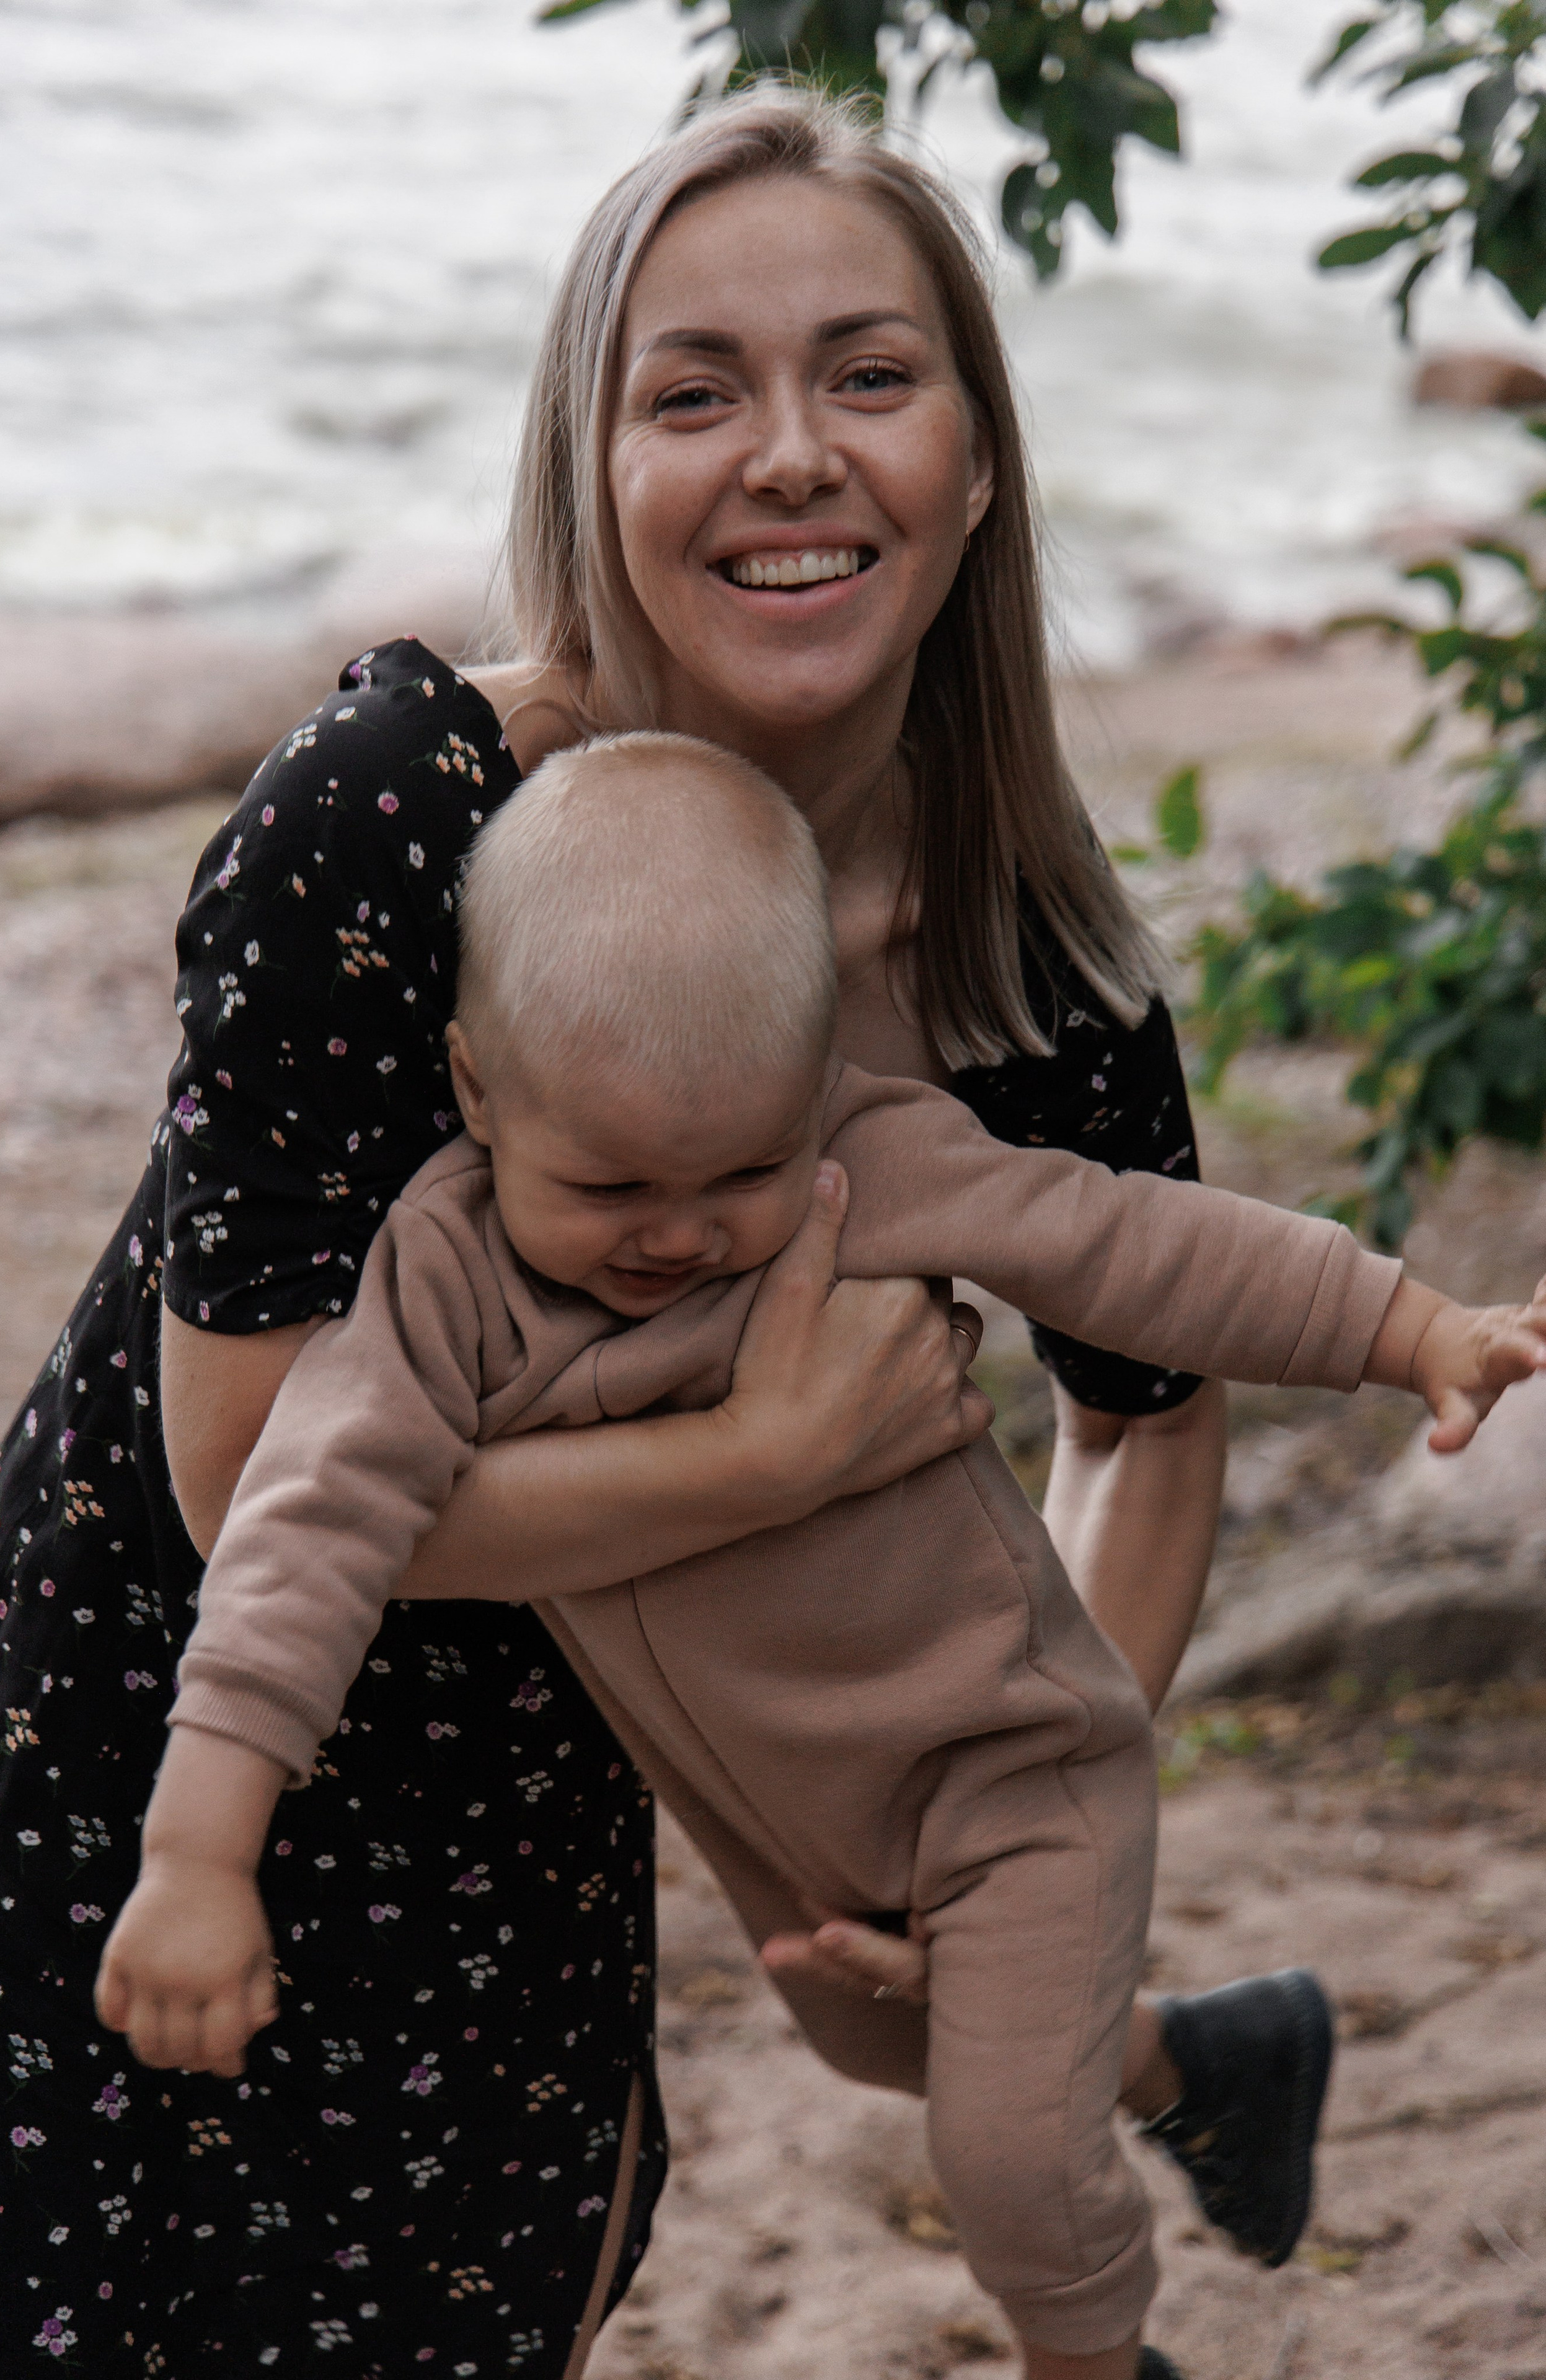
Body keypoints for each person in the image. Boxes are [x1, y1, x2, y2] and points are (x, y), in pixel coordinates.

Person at [0, 79, 1304, 2378]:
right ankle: (1216, 2067)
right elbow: (239, 1471)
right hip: (149, 1756)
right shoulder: (392, 831)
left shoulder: (1023, 963)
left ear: (975, 463)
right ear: (591, 476)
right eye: (693, 393)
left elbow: (1147, 1421)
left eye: (869, 377)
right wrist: (765, 1463)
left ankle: (1194, 2064)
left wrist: (988, 1839)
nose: (789, 453)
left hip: (526, 1843)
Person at [97, 731, 1546, 2380]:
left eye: (742, 1174)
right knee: (897, 2046)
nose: (681, 1233)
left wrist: (1404, 1323)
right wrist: (199, 1854)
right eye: (611, 1183)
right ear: (480, 1089)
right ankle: (1218, 2066)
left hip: (1011, 1772)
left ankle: (1102, 2362)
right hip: (789, 1832)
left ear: (814, 1094)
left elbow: (1127, 1242)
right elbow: (303, 1534)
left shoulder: (868, 1164)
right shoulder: (441, 1282)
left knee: (1006, 2160)